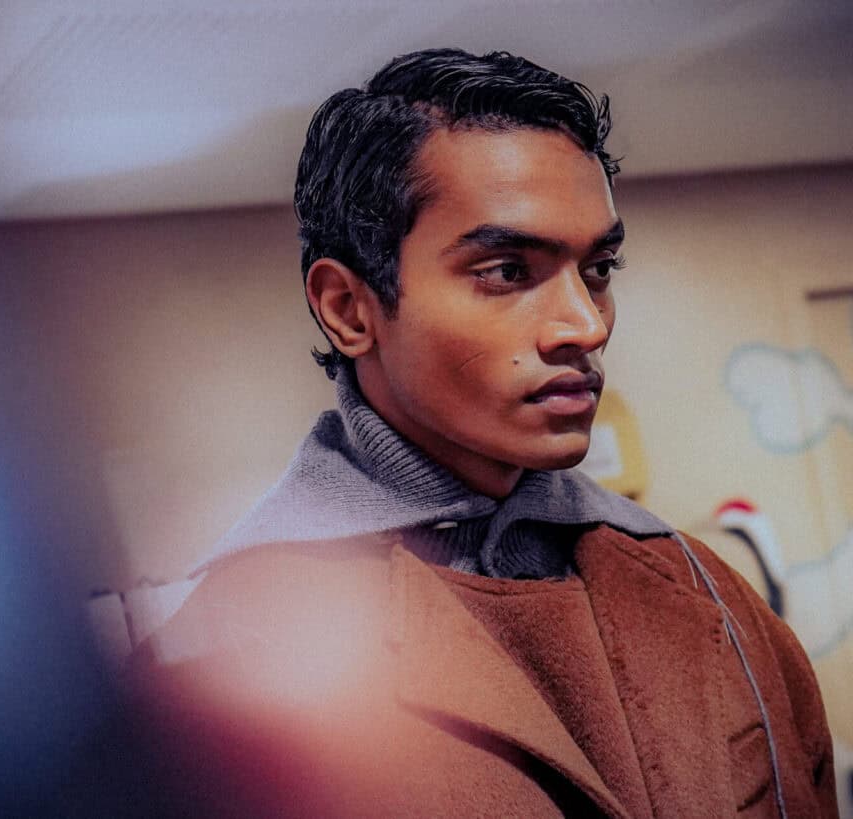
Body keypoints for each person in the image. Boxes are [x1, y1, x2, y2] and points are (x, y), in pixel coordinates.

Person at [126, 48, 838, 818]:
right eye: (505, 270)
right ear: (348, 309)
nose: (584, 324)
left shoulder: (709, 589)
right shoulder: (214, 669)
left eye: (598, 269)